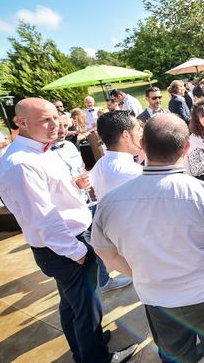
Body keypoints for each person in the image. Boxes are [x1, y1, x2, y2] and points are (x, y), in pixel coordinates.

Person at [92, 114, 204, 363]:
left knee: (177, 357)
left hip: (157, 299)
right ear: (187, 148)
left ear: (143, 145)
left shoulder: (109, 203)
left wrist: (140, 272)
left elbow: (104, 252)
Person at [0, 98, 137, 363]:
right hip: (66, 245)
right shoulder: (23, 163)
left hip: (67, 242)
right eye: (45, 120)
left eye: (55, 117)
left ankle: (84, 347)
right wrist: (76, 252)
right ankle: (96, 358)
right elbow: (42, 217)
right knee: (86, 309)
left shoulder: (38, 152)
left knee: (71, 305)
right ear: (22, 123)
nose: (55, 125)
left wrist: (73, 186)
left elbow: (49, 198)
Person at [51, 113, 132, 295]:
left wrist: (86, 179)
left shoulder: (70, 146)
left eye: (65, 125)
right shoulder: (43, 156)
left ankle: (103, 280)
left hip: (88, 202)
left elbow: (81, 170)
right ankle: (100, 282)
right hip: (69, 212)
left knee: (98, 245)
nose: (62, 130)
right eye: (59, 126)